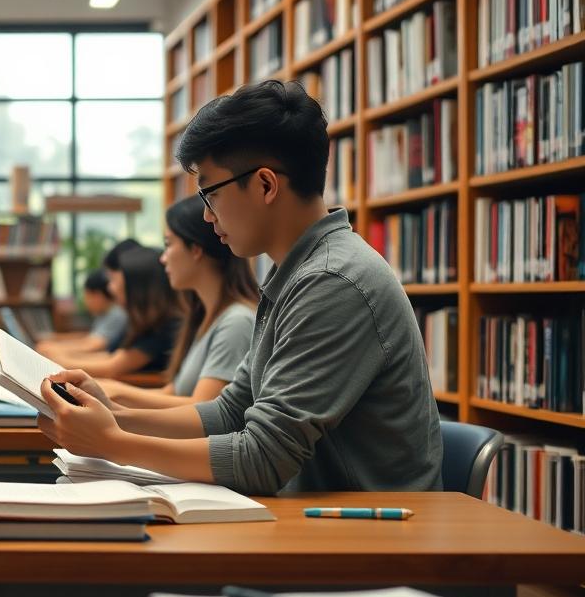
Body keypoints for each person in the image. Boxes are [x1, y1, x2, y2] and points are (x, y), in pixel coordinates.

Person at [40, 80, 442, 495]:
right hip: (315, 519)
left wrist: (113, 443)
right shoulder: (296, 272)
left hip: (373, 535)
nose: (208, 216)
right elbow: (233, 411)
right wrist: (115, 415)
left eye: (210, 193)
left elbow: (263, 458)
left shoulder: (331, 280)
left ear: (266, 185)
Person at [99, 196, 257, 409]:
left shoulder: (236, 322)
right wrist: (109, 391)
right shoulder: (204, 317)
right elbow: (171, 392)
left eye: (168, 245)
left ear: (195, 250)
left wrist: (116, 393)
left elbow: (202, 411)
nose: (163, 258)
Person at [39, 245, 181, 377]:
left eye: (114, 280)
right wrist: (58, 357)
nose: (110, 289)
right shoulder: (144, 322)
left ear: (136, 290)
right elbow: (111, 356)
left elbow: (111, 366)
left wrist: (55, 360)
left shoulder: (162, 328)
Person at [35, 268, 129, 355]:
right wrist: (56, 338)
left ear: (98, 295)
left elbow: (93, 346)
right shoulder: (105, 313)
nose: (85, 301)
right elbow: (91, 337)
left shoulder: (116, 314)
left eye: (87, 296)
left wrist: (56, 348)